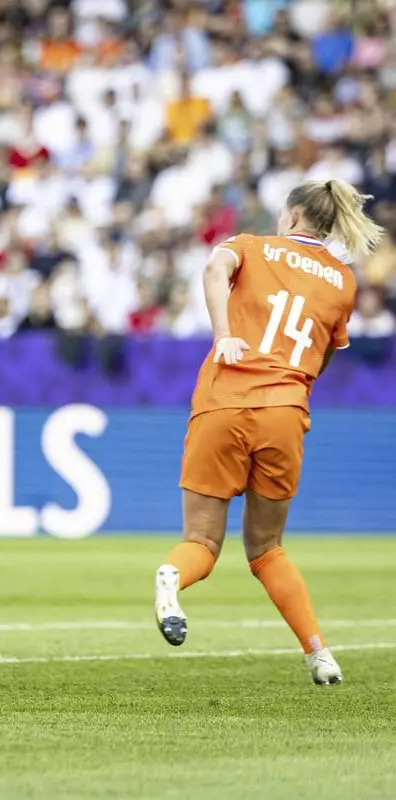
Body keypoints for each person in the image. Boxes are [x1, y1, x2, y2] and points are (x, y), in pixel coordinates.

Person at [153, 179, 385, 685]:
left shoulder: (251, 246)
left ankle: (172, 576)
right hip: (284, 411)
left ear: (293, 215)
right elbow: (324, 352)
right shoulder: (342, 279)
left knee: (201, 540)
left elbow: (213, 270)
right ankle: (319, 654)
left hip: (224, 400)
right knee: (266, 547)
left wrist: (224, 335)